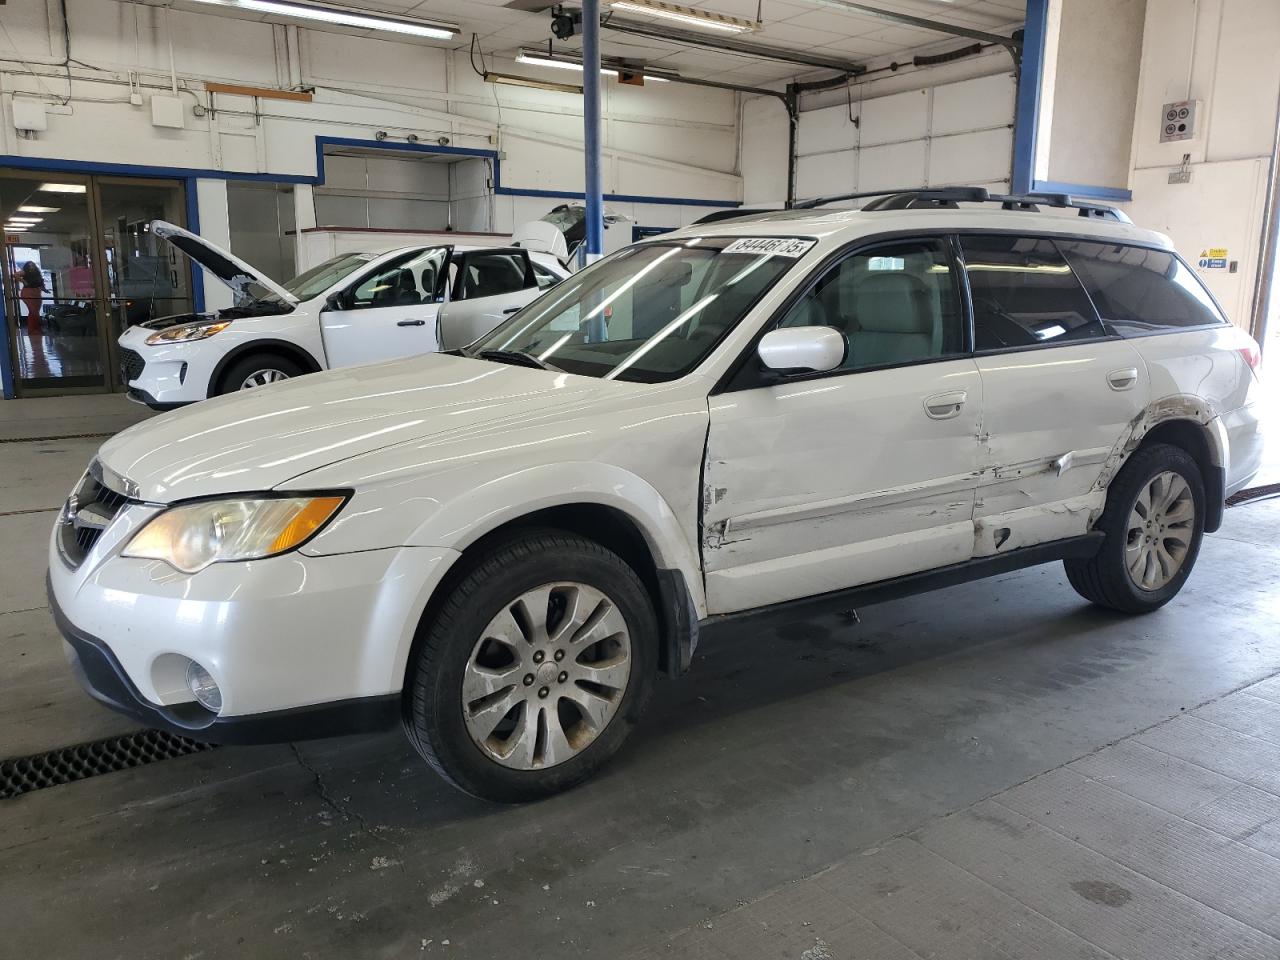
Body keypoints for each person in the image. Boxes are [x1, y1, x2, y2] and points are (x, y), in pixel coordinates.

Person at [18, 261, 44, 333]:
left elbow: (40, 283)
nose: (31, 266)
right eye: (29, 265)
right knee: (33, 311)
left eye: (32, 265)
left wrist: (44, 289)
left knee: (35, 311)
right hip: (28, 292)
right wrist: (23, 281)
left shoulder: (37, 273)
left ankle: (36, 329)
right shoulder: (25, 272)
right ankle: (33, 329)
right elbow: (15, 275)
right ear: (27, 266)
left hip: (37, 293)